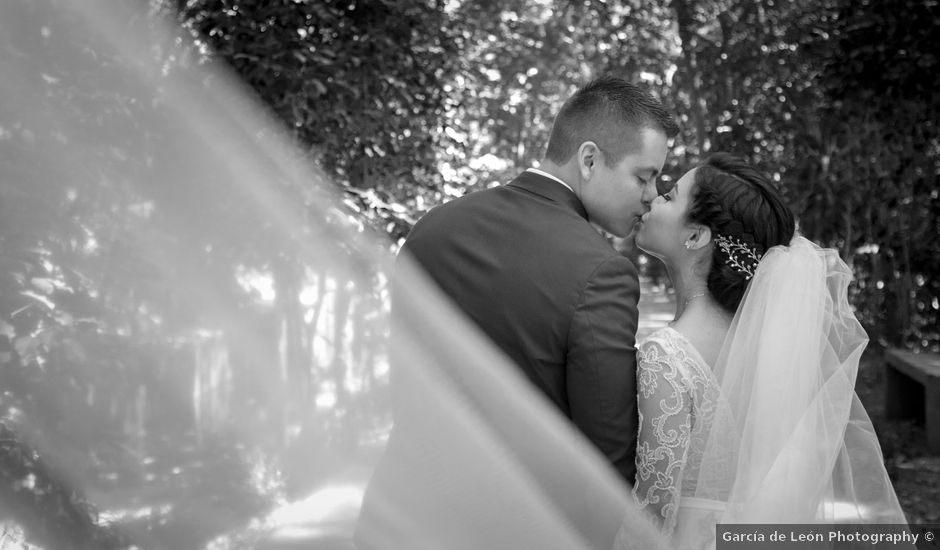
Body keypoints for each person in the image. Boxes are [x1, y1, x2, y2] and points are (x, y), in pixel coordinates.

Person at [355, 75, 679, 549]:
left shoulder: (433, 228)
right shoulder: (602, 271)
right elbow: (606, 462)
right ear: (589, 159)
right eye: (643, 176)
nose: (651, 195)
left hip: (394, 521)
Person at [615, 153, 907, 549]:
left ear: (696, 236)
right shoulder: (775, 349)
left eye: (668, 196)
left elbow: (653, 511)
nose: (652, 200)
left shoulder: (667, 356)